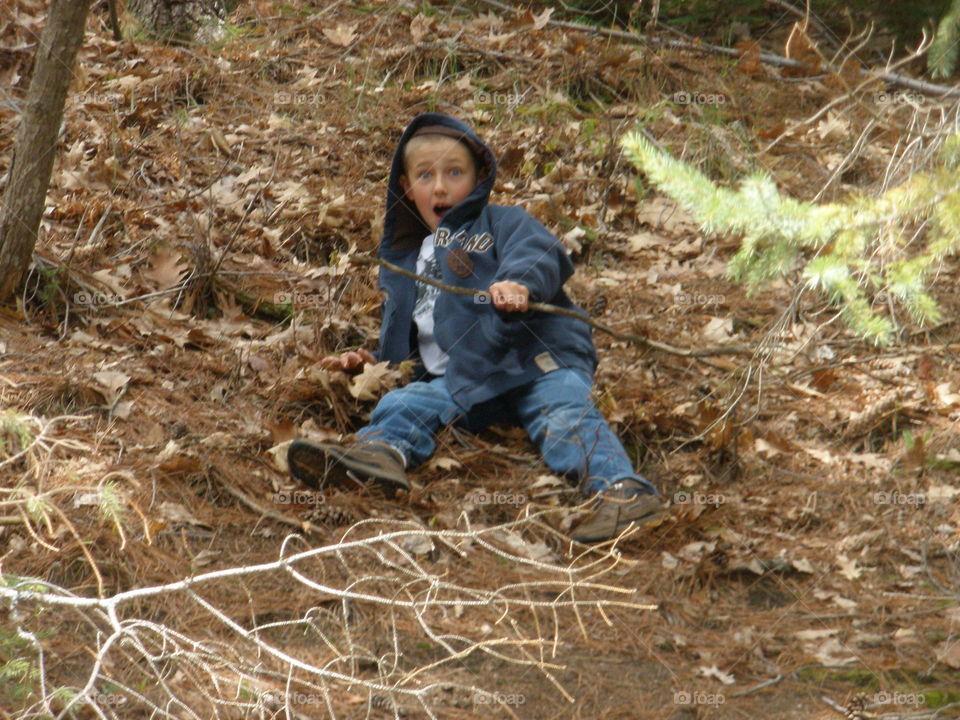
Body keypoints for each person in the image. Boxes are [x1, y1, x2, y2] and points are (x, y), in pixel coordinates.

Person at [287, 112, 662, 542]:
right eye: (426, 176)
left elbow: (540, 252)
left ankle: (621, 492)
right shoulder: (404, 263)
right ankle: (377, 457)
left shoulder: (501, 223)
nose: (441, 187)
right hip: (465, 382)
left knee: (565, 416)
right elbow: (412, 340)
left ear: (478, 177)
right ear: (408, 188)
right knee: (406, 403)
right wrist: (375, 363)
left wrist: (519, 282)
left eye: (454, 173)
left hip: (532, 363)